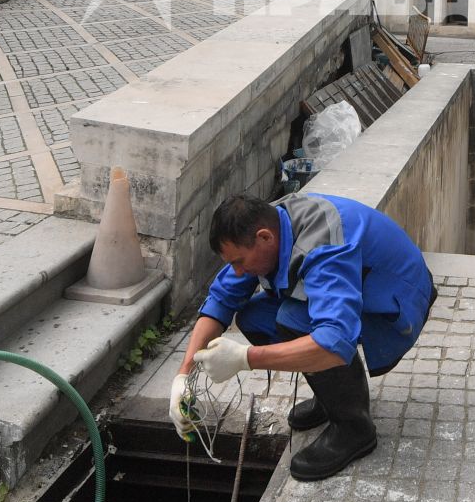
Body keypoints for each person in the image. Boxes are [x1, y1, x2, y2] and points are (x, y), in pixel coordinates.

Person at [172, 191, 436, 481]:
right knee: (255, 317)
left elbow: (334, 343)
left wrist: (245, 359)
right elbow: (221, 300)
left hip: (397, 301)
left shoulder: (322, 246)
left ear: (264, 238)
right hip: (360, 287)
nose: (237, 271)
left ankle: (354, 427)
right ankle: (331, 395)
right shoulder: (268, 225)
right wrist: (183, 376)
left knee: (294, 321)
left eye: (239, 261)